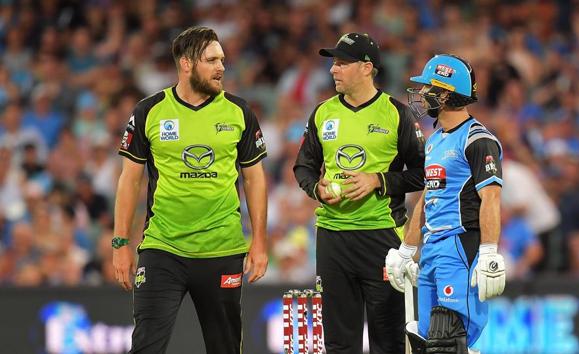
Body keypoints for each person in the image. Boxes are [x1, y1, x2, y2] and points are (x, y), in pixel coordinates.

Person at [112, 26, 268, 354]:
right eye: (212, 60)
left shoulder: (239, 112)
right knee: (145, 346)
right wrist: (120, 242)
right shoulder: (149, 111)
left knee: (225, 347)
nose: (221, 67)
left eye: (222, 59)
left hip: (222, 249)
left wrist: (260, 242)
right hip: (162, 248)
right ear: (186, 63)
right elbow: (130, 180)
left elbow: (255, 179)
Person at [293, 32, 425, 354]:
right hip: (332, 237)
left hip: (382, 237)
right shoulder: (322, 113)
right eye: (333, 63)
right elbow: (303, 167)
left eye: (341, 63)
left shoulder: (397, 113)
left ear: (367, 68)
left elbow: (423, 175)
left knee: (388, 340)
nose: (333, 70)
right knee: (338, 342)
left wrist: (378, 180)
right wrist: (316, 188)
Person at [385, 54, 506, 354]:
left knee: (448, 339)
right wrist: (408, 250)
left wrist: (489, 251)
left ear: (446, 93)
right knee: (425, 340)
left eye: (429, 88)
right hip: (432, 247)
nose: (423, 94)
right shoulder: (435, 139)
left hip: (460, 246)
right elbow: (428, 198)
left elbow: (490, 198)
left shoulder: (478, 139)